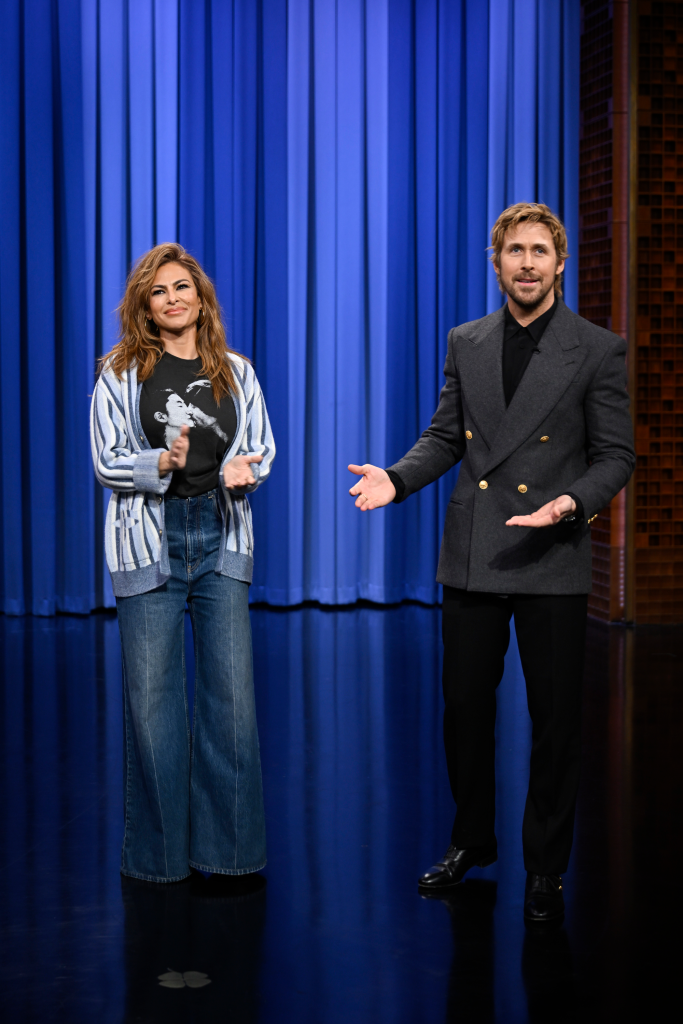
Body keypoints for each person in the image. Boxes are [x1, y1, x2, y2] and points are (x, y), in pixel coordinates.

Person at [348, 203, 635, 923]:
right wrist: (398, 477)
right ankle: (471, 841)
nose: (528, 262)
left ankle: (545, 866)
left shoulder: (597, 350)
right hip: (475, 551)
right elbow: (445, 436)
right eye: (515, 250)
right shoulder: (466, 341)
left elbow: (615, 457)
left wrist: (568, 505)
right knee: (464, 711)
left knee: (553, 722)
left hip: (551, 553)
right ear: (495, 260)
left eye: (541, 250)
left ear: (560, 262)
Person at [90, 243, 275, 883]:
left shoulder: (237, 371)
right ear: (145, 305)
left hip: (219, 539)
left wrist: (245, 472)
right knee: (153, 708)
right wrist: (159, 464)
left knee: (231, 707)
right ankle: (160, 862)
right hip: (149, 542)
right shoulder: (118, 374)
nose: (172, 299)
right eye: (158, 291)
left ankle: (228, 857)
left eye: (182, 288)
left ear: (201, 298)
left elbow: (260, 447)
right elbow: (105, 459)